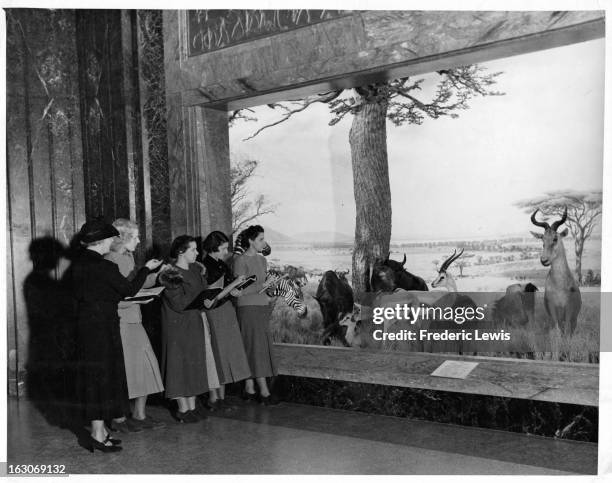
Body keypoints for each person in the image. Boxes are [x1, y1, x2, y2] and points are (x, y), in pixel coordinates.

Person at [70, 219, 162, 452]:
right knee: (103, 379)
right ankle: (98, 434)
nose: (113, 242)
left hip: (84, 327)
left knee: (94, 380)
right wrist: (146, 270)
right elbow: (128, 290)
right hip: (103, 328)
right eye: (111, 239)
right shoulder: (104, 267)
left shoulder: (78, 265)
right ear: (101, 242)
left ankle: (99, 431)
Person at [104, 219, 165, 431]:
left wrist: (156, 275)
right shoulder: (110, 260)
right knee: (126, 372)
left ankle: (139, 414)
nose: (139, 241)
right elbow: (114, 297)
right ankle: (119, 419)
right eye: (136, 237)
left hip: (135, 319)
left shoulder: (128, 257)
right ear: (122, 238)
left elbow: (136, 284)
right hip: (121, 322)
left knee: (145, 366)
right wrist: (136, 296)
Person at [159, 235, 213, 423]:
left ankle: (191, 405)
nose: (198, 253)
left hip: (193, 322)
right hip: (177, 325)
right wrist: (200, 299)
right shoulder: (169, 273)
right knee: (179, 366)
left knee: (192, 364)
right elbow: (178, 303)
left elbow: (204, 293)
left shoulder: (196, 270)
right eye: (193, 249)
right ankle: (183, 409)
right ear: (181, 252)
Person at [201, 231, 251, 410]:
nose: (226, 251)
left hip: (226, 311)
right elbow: (211, 295)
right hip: (216, 313)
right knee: (218, 354)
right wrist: (232, 287)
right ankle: (214, 398)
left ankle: (221, 397)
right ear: (213, 249)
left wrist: (236, 289)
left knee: (226, 353)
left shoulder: (220, 264)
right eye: (223, 248)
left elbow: (227, 288)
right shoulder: (205, 266)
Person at [232, 225, 280, 405]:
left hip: (261, 306)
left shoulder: (262, 260)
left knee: (254, 347)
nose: (264, 243)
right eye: (260, 239)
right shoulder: (240, 260)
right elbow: (239, 290)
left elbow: (262, 286)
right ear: (251, 241)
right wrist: (264, 286)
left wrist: (271, 286)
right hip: (247, 308)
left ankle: (249, 388)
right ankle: (264, 392)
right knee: (255, 348)